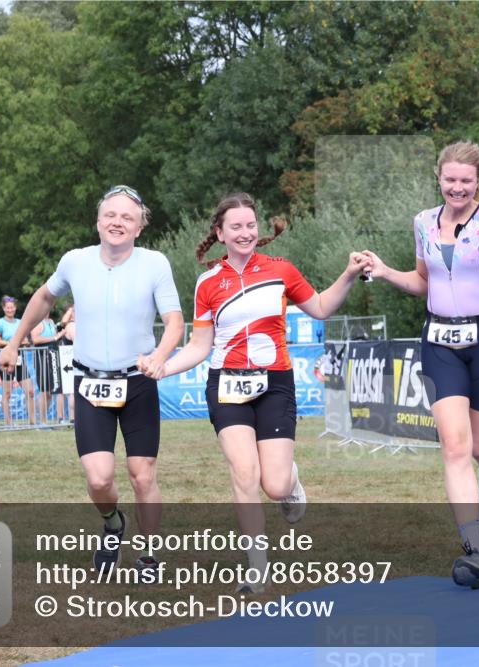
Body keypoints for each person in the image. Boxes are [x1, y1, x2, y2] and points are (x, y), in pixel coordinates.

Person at [159, 192, 370, 593]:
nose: (245, 232)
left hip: (274, 383)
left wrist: (346, 273)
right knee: (244, 472)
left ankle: (291, 479)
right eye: (235, 227)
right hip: (226, 384)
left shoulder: (281, 270)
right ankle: (257, 568)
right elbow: (200, 346)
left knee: (273, 485)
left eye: (250, 225)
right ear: (220, 233)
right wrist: (163, 367)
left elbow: (322, 308)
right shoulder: (207, 283)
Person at [360, 142, 479, 589]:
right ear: (439, 178)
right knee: (454, 448)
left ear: (477, 181)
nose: (457, 188)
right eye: (450, 180)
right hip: (439, 341)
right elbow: (422, 281)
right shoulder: (422, 221)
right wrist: (384, 271)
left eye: (466, 180)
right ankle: (474, 553)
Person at [0, 184, 183, 576]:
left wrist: (160, 356)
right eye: (111, 215)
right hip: (90, 382)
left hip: (138, 382)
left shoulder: (155, 263)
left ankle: (148, 557)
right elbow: (45, 298)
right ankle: (114, 523)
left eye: (127, 218)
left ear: (139, 227)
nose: (118, 223)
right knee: (100, 481)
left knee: (142, 473)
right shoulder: (75, 261)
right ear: (98, 222)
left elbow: (175, 322)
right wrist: (14, 342)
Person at [0, 295, 35, 426]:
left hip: (19, 357)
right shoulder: (0, 323)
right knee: (7, 393)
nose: (10, 310)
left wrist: (23, 343)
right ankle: (8, 423)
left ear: (15, 308)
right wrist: (11, 344)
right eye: (7, 308)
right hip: (5, 358)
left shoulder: (20, 322)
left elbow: (27, 341)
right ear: (4, 308)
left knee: (30, 391)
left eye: (12, 307)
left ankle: (33, 423)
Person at [30, 310, 66, 424]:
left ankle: (43, 417)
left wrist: (58, 337)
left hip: (53, 357)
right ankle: (42, 420)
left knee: (50, 393)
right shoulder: (37, 322)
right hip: (42, 358)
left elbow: (56, 337)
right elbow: (35, 339)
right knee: (43, 391)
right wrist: (55, 338)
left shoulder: (50, 321)